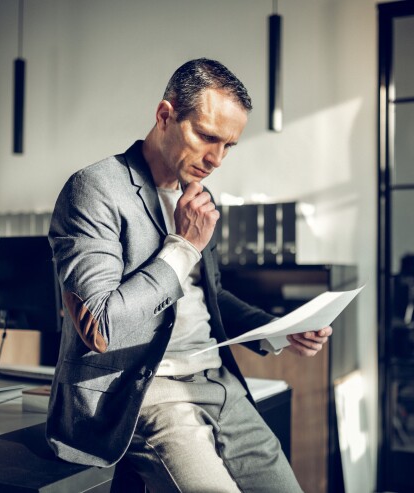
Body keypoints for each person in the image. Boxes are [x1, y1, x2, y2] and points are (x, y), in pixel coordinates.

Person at [46, 58, 331, 492]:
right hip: (146, 393)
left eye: (228, 145)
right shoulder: (96, 189)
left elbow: (208, 297)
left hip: (219, 383)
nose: (215, 158)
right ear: (165, 116)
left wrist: (280, 331)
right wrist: (182, 247)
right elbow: (100, 325)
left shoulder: (198, 195)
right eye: (207, 136)